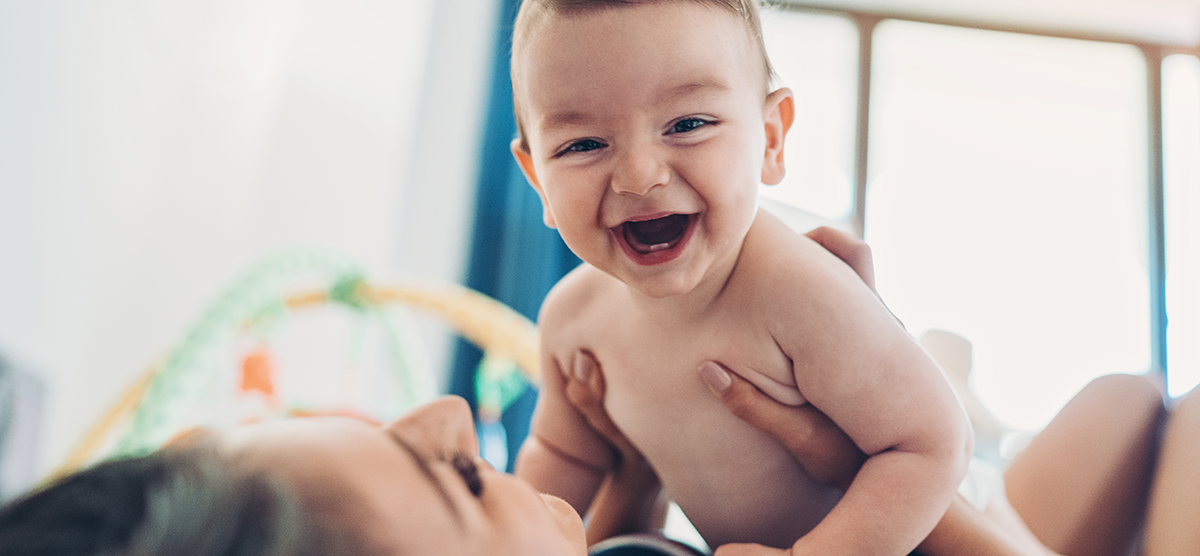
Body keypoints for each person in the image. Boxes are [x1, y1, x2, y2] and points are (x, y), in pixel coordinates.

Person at [507, 1, 972, 554]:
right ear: (537, 179)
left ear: (771, 139)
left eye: (688, 125)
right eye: (583, 144)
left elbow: (932, 444)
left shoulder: (800, 292)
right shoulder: (573, 320)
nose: (639, 176)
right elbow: (564, 455)